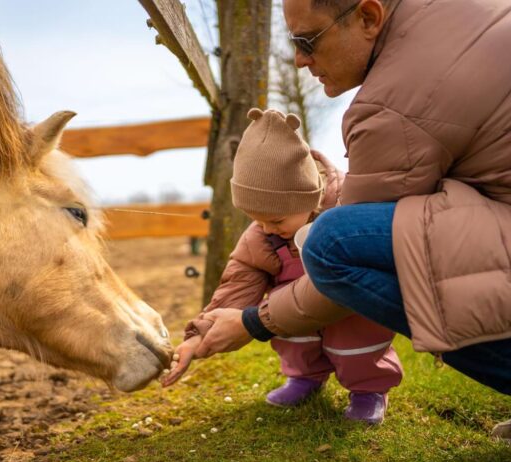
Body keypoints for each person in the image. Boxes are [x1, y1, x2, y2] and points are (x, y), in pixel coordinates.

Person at [190, 0, 511, 462]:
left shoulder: (392, 103)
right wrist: (218, 314)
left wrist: (252, 322)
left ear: (368, 17)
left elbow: (348, 254)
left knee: (331, 241)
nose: (298, 60)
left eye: (307, 41)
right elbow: (244, 268)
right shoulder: (458, 17)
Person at [163, 108, 403, 424]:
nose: (265, 228)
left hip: (348, 309)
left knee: (355, 340)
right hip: (294, 312)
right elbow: (236, 285)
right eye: (256, 219)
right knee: (286, 328)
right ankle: (305, 377)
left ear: (309, 199)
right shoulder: (263, 236)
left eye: (275, 219)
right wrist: (199, 335)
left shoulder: (348, 212)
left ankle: (368, 390)